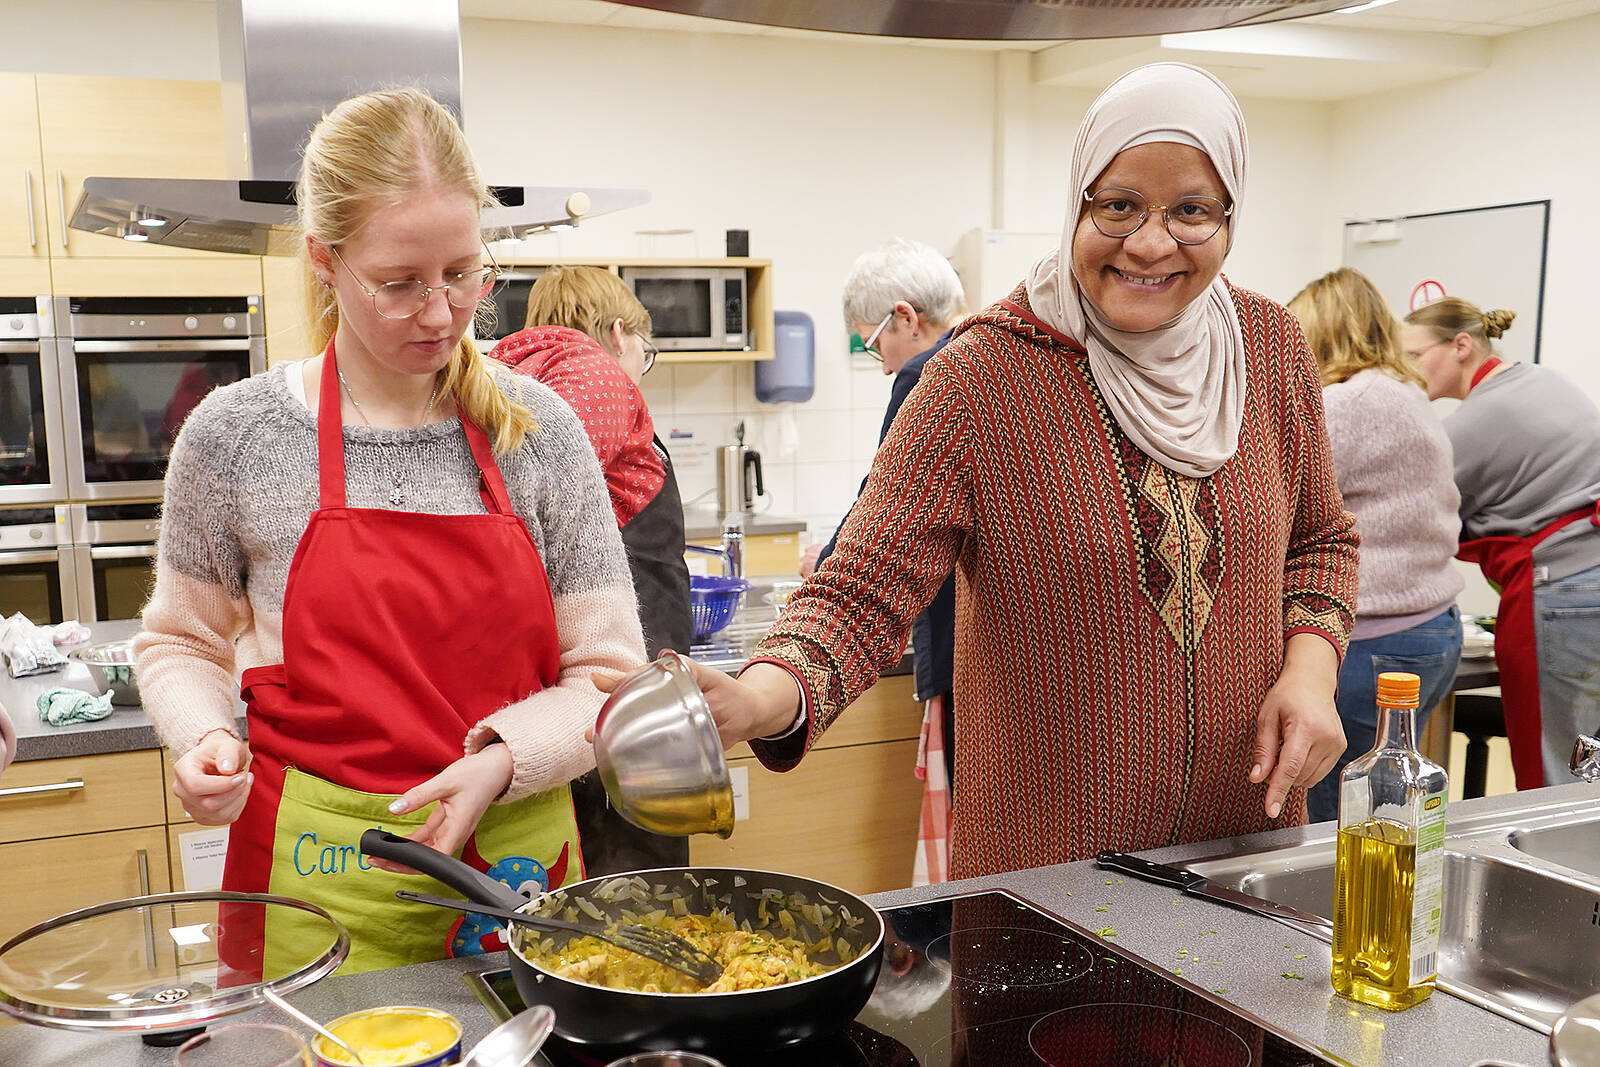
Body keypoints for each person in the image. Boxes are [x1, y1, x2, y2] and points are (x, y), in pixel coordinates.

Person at [657, 63, 1359, 880]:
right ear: (1076, 204)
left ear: (1230, 215)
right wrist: (760, 694)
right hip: (1050, 880)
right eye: (1118, 204)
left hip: (1245, 854)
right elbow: (861, 589)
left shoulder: (1268, 347)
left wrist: (1312, 672)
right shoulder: (981, 375)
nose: (1150, 242)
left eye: (1192, 211)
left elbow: (1321, 539)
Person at [135, 88, 644, 975]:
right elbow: (181, 642)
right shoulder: (237, 434)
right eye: (400, 283)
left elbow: (608, 678)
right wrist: (204, 736)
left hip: (512, 875)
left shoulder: (541, 432)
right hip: (316, 884)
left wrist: (502, 759)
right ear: (325, 262)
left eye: (463, 273)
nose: (442, 313)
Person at [489, 264, 692, 873]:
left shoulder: (511, 373)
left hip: (557, 671)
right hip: (622, 671)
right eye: (644, 352)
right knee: (637, 876)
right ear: (618, 331)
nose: (639, 371)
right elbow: (547, 500)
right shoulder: (592, 373)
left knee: (568, 862)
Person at [809, 238, 962, 884]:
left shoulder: (929, 372)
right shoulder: (1005, 360)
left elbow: (883, 504)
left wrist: (824, 574)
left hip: (962, 642)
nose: (879, 363)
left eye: (872, 344)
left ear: (905, 317)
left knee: (968, 834)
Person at [1287, 268, 1463, 822]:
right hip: (1431, 626)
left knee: (1333, 816)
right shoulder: (1406, 393)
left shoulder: (1344, 403)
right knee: (1384, 808)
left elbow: (1282, 505)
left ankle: (1333, 912)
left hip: (1372, 637)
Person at [1401, 298, 1600, 789]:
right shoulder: (1543, 381)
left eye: (1413, 356)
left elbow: (1412, 519)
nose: (1407, 371)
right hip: (1589, 582)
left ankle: (1560, 866)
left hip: (1560, 591)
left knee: (1554, 766)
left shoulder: (1474, 422)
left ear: (1461, 346)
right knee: (1589, 760)